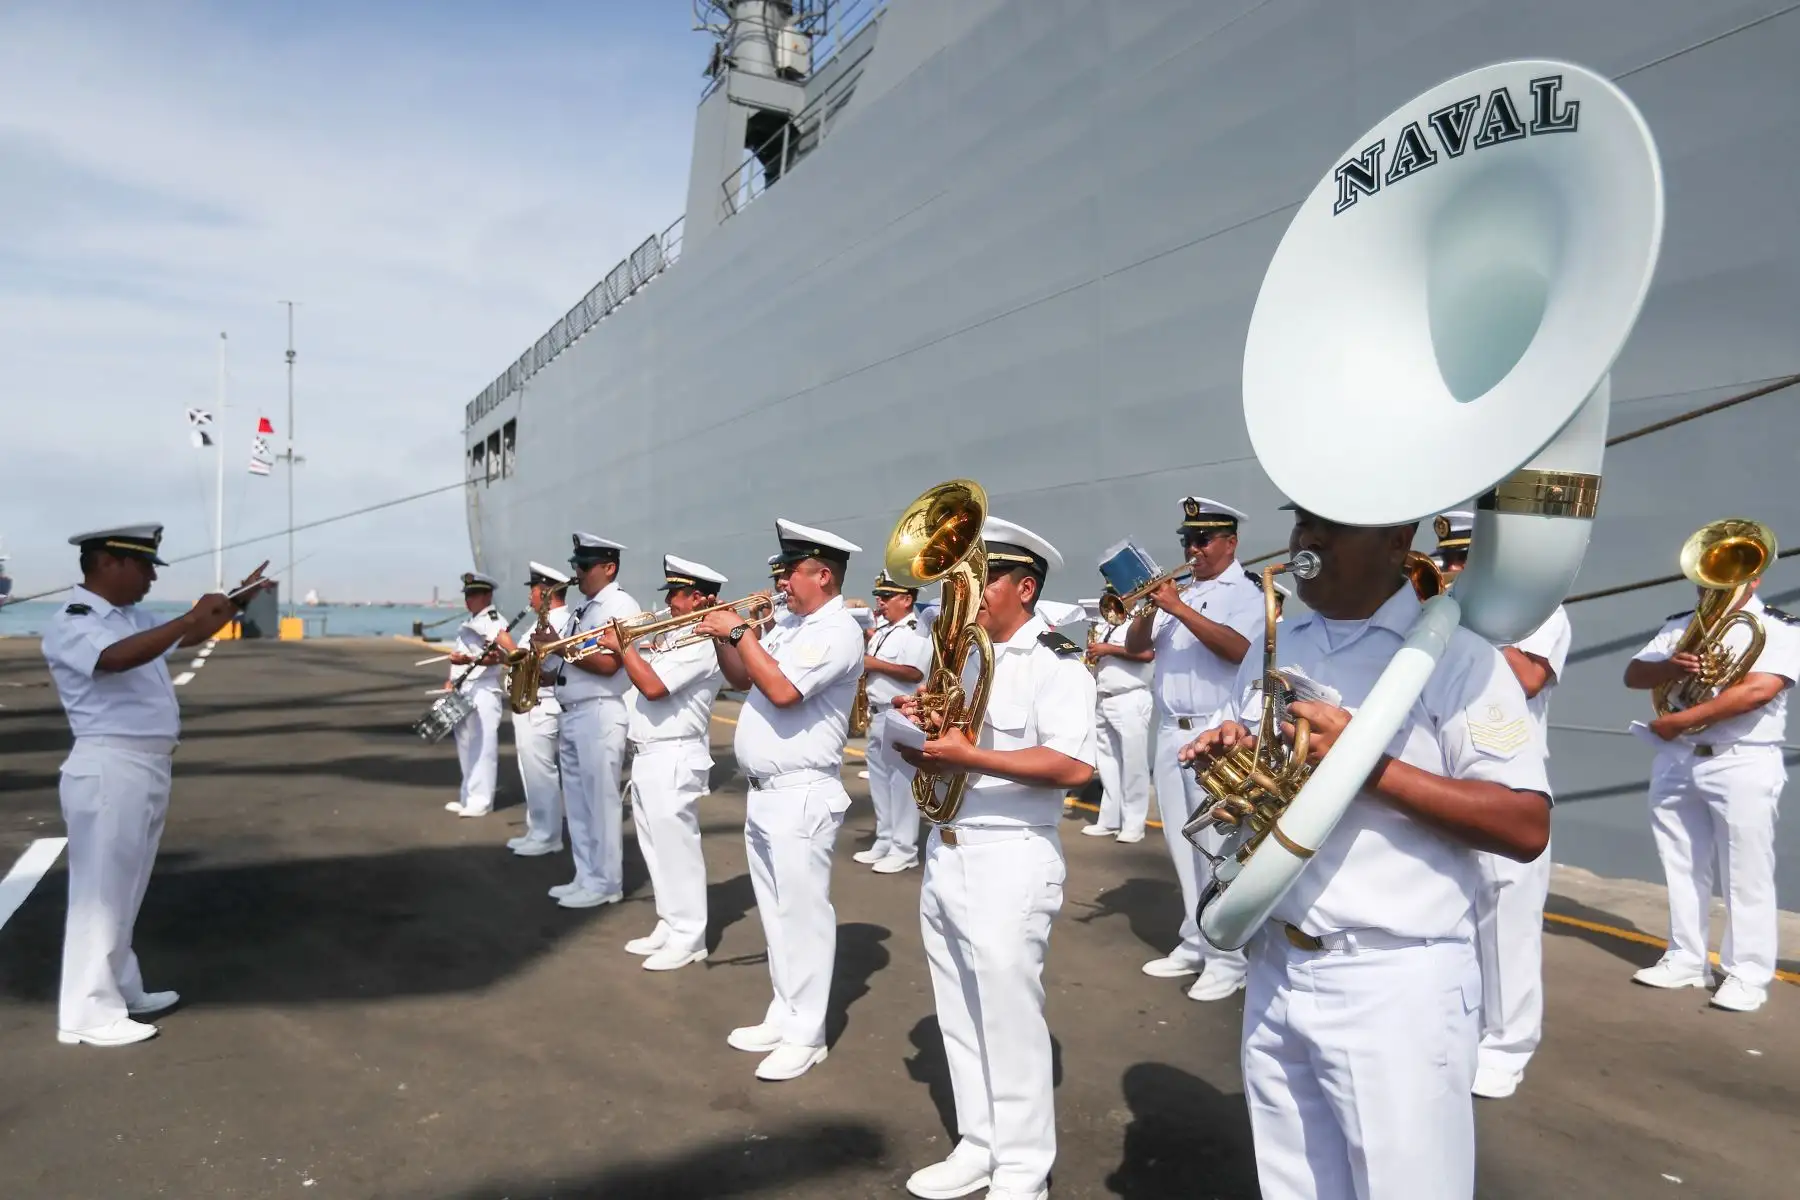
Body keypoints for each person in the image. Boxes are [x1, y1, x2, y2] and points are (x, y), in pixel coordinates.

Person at [1178, 505, 1550, 1200]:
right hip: (1276, 965)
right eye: (1301, 524)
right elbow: (1270, 783)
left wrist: (1363, 764)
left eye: (1334, 525)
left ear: (1398, 540)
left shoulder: (1459, 657)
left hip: (1394, 983)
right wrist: (1230, 758)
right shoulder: (1281, 644)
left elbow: (1524, 825)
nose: (1308, 540)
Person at [894, 517, 1096, 1200]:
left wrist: (970, 755)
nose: (966, 592)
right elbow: (943, 741)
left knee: (1009, 1020)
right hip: (948, 849)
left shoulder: (1055, 659)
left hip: (1011, 857)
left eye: (981, 579)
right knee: (960, 1012)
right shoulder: (960, 657)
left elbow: (1072, 765)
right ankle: (979, 1145)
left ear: (1025, 586)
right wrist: (918, 721)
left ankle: (1022, 1171)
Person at [40, 524, 270, 1046]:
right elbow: (117, 658)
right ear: (108, 563)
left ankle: (120, 988)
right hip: (108, 765)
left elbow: (181, 637)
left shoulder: (126, 619)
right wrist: (191, 614)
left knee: (125, 890)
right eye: (143, 567)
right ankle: (86, 1013)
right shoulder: (73, 622)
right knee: (99, 894)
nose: (149, 577)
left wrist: (234, 602)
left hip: (143, 766)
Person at [697, 519, 864, 1081]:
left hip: (802, 793)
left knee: (804, 913)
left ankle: (808, 1032)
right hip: (766, 794)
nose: (781, 581)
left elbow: (784, 690)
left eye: (791, 571)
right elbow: (745, 679)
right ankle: (784, 1011)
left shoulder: (836, 631)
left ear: (823, 573)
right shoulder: (793, 624)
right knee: (775, 912)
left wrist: (740, 630)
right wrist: (725, 637)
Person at [1434, 512, 1573, 1099]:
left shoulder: (1538, 613)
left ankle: (1508, 1046)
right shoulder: (1438, 614)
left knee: (1506, 921)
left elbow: (1529, 677)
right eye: (1446, 559)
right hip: (1445, 785)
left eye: (1462, 559)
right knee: (1453, 919)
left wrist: (1457, 619)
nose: (1449, 570)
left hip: (1505, 789)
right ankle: (1463, 1032)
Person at [1624, 571, 1797, 1014]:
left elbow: (1759, 690)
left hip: (1741, 758)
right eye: (1705, 581)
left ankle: (1748, 973)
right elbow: (1634, 674)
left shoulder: (1777, 627)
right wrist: (1671, 665)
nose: (1710, 591)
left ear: (1753, 582)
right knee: (1680, 862)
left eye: (1725, 582)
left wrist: (1681, 720)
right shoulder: (1682, 625)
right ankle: (1685, 957)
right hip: (1678, 759)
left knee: (1745, 870)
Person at [1124, 496, 1263, 1000]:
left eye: (1203, 540)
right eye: (1187, 540)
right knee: (1182, 847)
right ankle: (1194, 938)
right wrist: (1144, 608)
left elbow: (1241, 651)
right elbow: (1140, 649)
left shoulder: (1244, 593)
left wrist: (1178, 608)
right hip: (1171, 730)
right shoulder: (1180, 591)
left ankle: (1229, 958)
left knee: (1216, 848)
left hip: (1217, 731)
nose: (1193, 549)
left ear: (1230, 543)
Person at [588, 554, 730, 971]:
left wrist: (625, 647)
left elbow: (652, 686)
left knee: (677, 850)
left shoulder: (703, 643)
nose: (671, 603)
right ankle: (670, 923)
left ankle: (690, 937)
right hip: (650, 754)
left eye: (678, 595)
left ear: (701, 598)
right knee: (655, 849)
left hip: (675, 754)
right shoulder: (673, 637)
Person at [546, 533, 639, 909]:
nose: (577, 574)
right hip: (573, 714)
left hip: (599, 713)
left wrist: (561, 645)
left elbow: (609, 663)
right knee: (579, 806)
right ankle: (585, 876)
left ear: (608, 567)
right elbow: (565, 664)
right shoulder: (583, 609)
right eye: (576, 566)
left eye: (583, 567)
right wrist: (543, 656)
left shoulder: (619, 605)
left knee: (600, 805)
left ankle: (606, 883)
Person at [855, 571, 934, 873]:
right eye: (880, 596)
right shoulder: (885, 630)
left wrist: (872, 663)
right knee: (879, 783)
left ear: (907, 599)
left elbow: (914, 672)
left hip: (901, 714)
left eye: (887, 596)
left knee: (901, 785)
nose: (880, 601)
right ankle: (884, 840)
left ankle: (904, 849)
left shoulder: (916, 631)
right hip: (878, 713)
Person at [507, 563, 573, 855]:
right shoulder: (542, 621)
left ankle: (548, 835)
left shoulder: (562, 621)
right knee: (529, 770)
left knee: (541, 771)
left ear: (546, 592)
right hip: (529, 703)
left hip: (543, 703)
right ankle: (537, 828)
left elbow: (558, 662)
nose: (531, 597)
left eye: (534, 590)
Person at [445, 572, 517, 819]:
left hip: (484, 689)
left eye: (474, 594)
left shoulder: (494, 621)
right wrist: (451, 679)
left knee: (483, 746)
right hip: (464, 688)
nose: (469, 599)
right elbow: (459, 654)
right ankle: (467, 795)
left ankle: (481, 800)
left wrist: (468, 660)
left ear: (487, 595)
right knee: (465, 744)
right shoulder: (471, 620)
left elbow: (500, 655)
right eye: (467, 594)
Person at [1080, 600, 1153, 843]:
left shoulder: (1138, 624)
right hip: (1104, 696)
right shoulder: (1105, 626)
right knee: (1108, 763)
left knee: (1134, 764)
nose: (1110, 603)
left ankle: (1134, 824)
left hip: (1130, 697)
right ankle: (1109, 820)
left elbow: (1148, 654)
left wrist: (1108, 649)